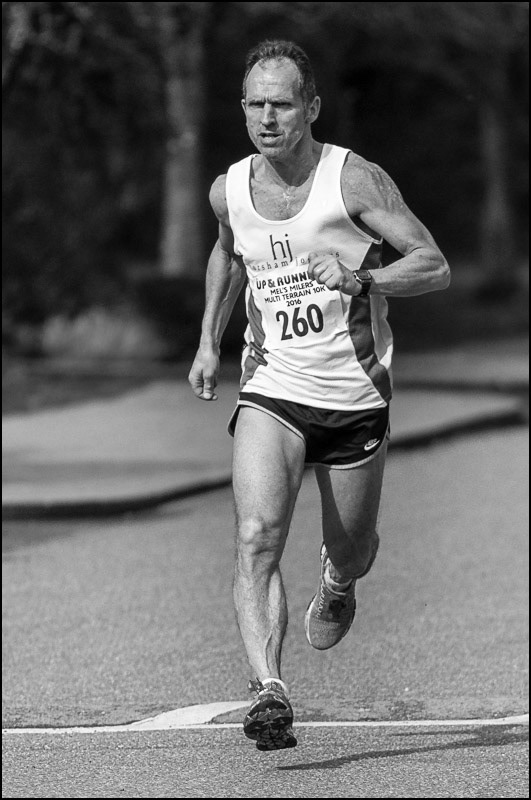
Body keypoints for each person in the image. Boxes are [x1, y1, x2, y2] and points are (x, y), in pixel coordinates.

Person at [188, 39, 450, 752]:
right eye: (254, 104)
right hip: (271, 387)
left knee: (353, 546)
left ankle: (339, 579)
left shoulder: (354, 181)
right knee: (254, 537)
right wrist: (210, 340)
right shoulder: (229, 189)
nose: (267, 118)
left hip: (353, 396)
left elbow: (432, 264)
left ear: (311, 107)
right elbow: (227, 252)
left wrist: (364, 280)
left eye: (281, 103)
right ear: (241, 109)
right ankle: (269, 690)